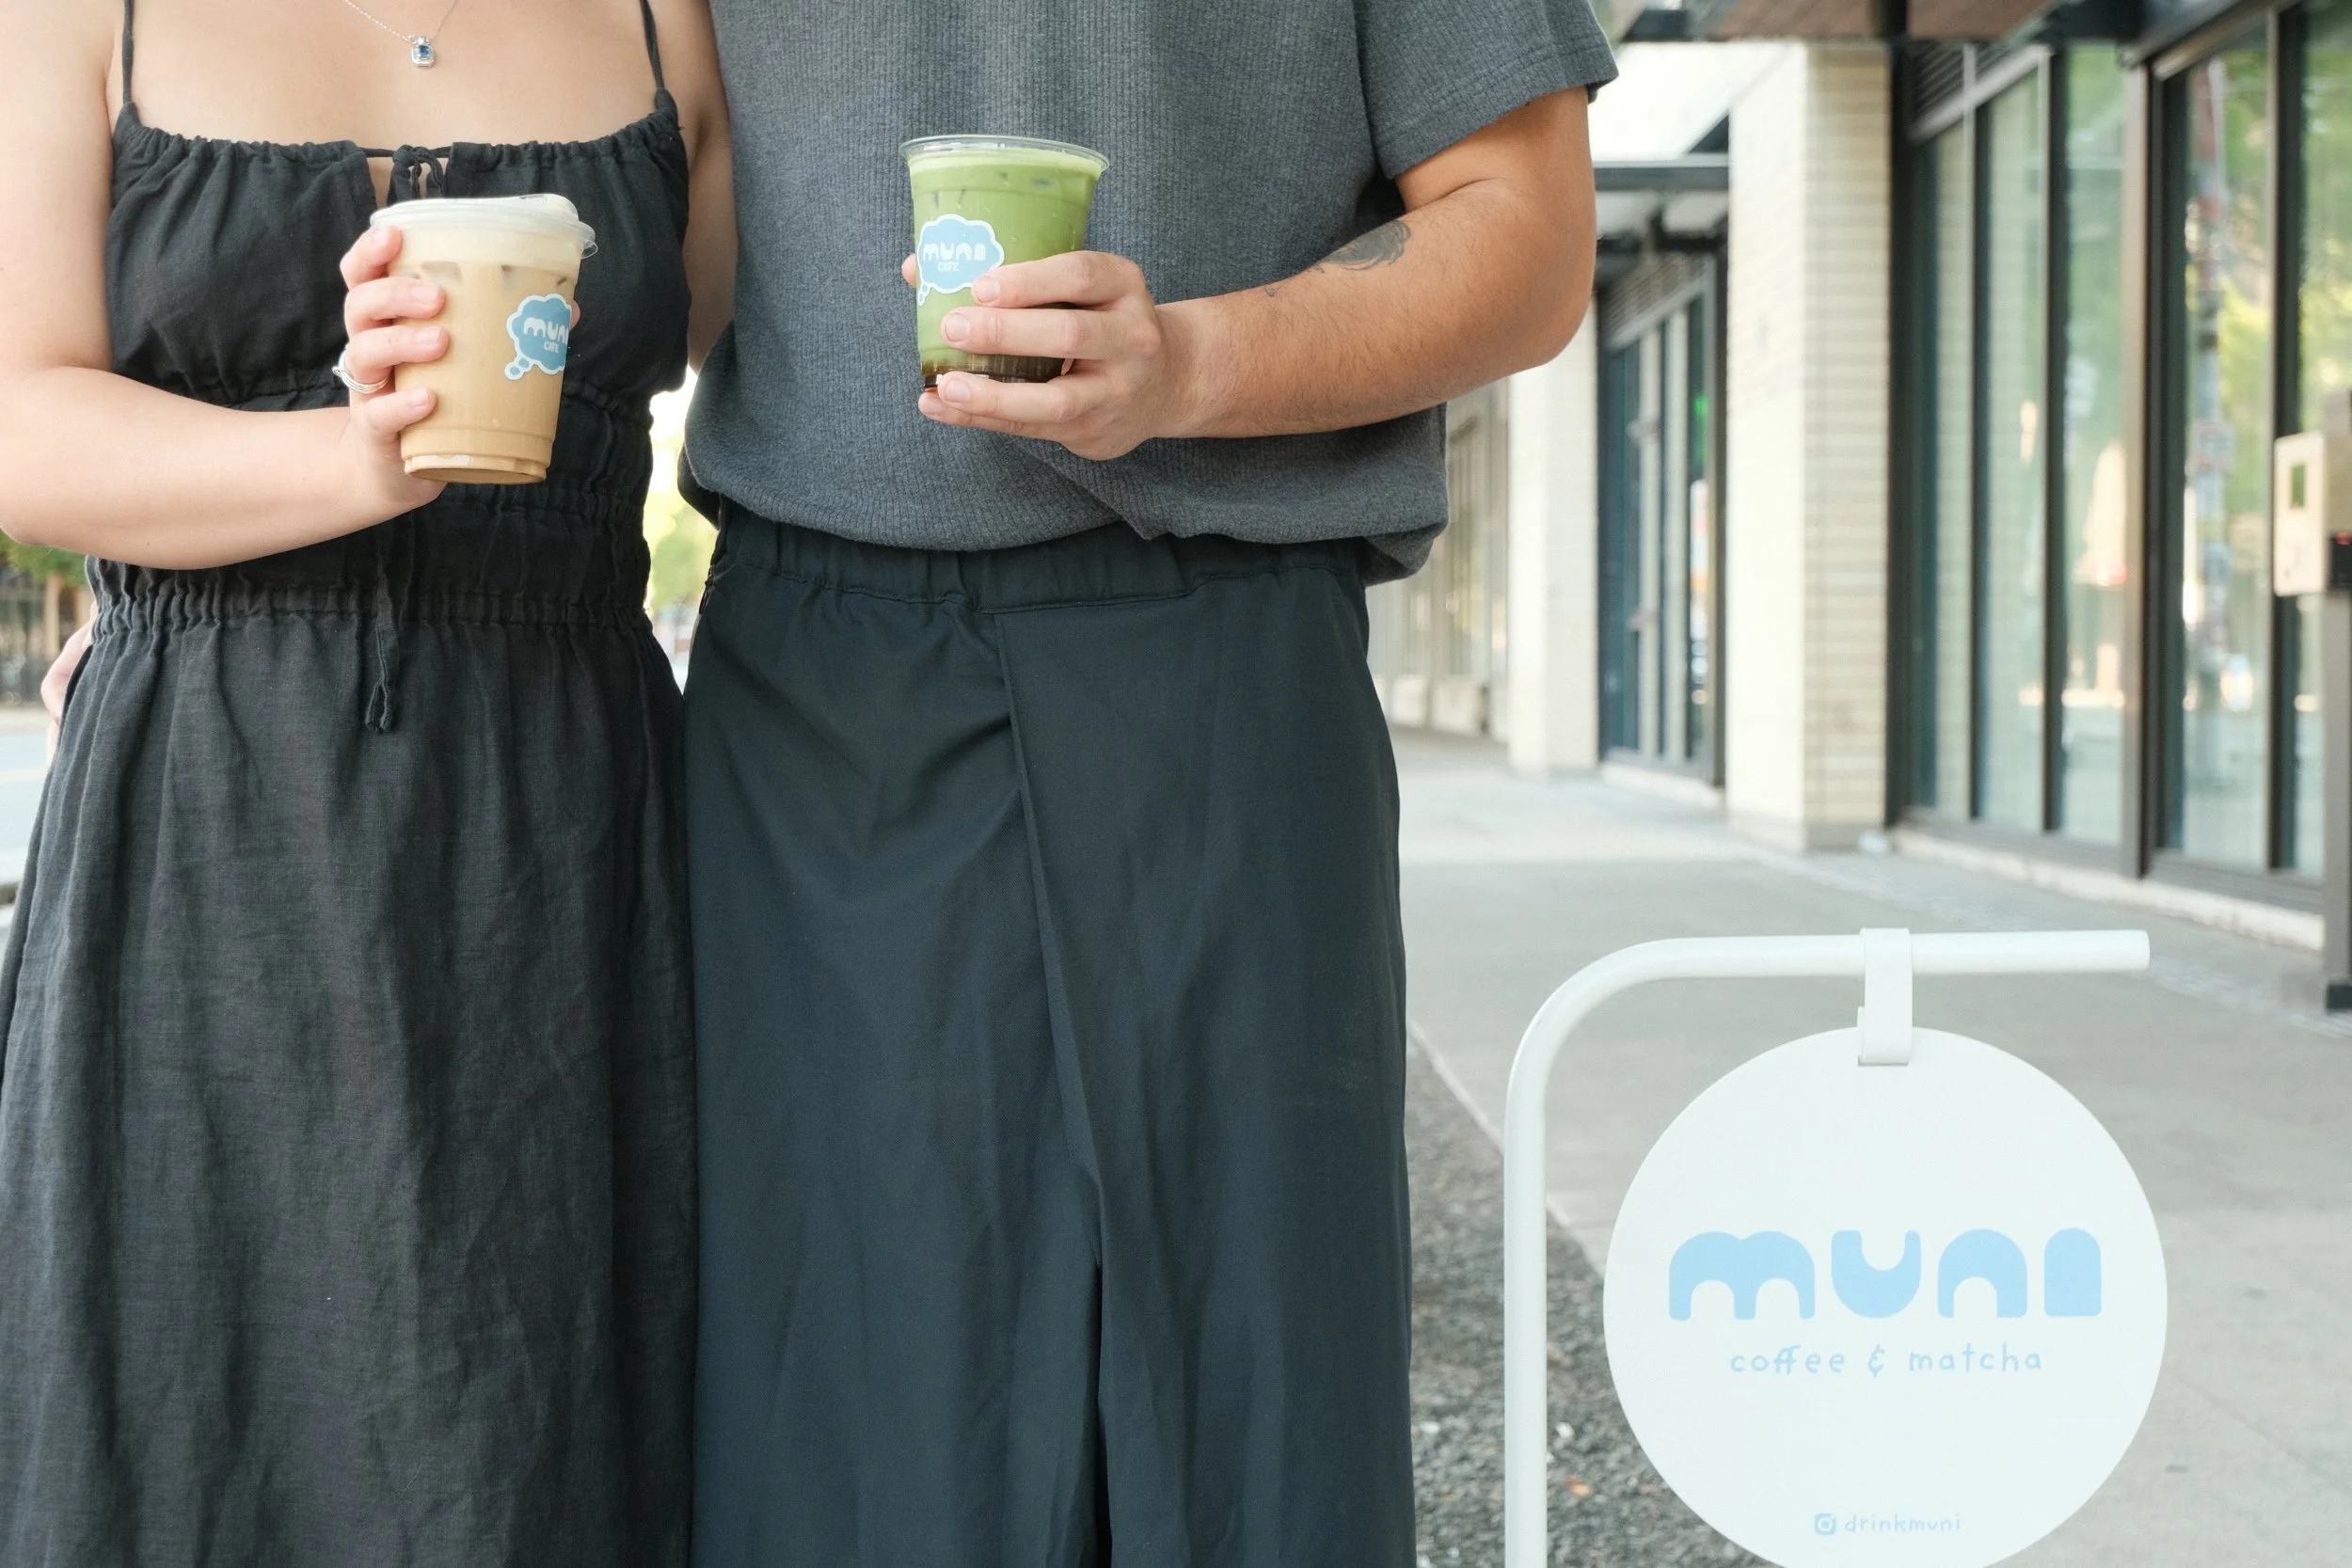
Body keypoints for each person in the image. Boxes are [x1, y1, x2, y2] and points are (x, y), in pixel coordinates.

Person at [683, 1, 1613, 1561]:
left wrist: (1192, 358)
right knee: (844, 1429)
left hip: (1225, 658)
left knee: (1253, 1421)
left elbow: (1526, 230)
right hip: (819, 692)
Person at [0, 0, 733, 1560]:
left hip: (564, 827)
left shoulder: (679, 22)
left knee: (541, 1444)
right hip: (207, 822)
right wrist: (344, 466)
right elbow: (16, 415)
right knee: (190, 1431)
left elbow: (750, 379)